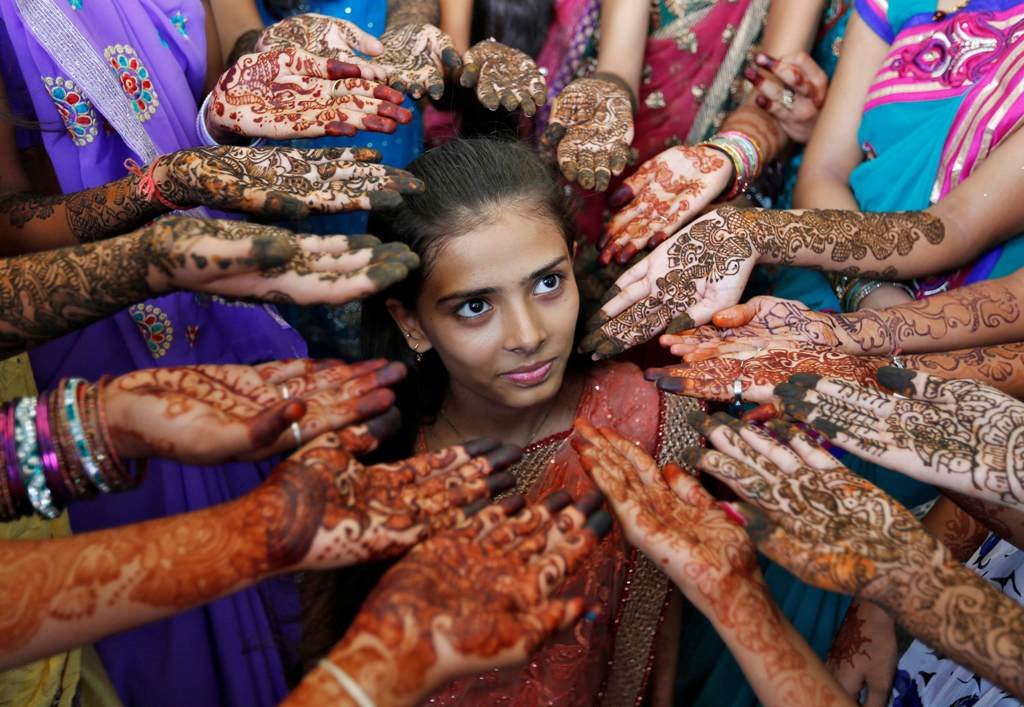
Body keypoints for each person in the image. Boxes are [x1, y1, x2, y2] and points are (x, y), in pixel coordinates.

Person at [359, 137, 703, 704]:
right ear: (410, 321)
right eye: (476, 306)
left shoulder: (651, 417)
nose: (528, 337)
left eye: (548, 283)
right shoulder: (375, 468)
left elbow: (657, 662)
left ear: (573, 260)